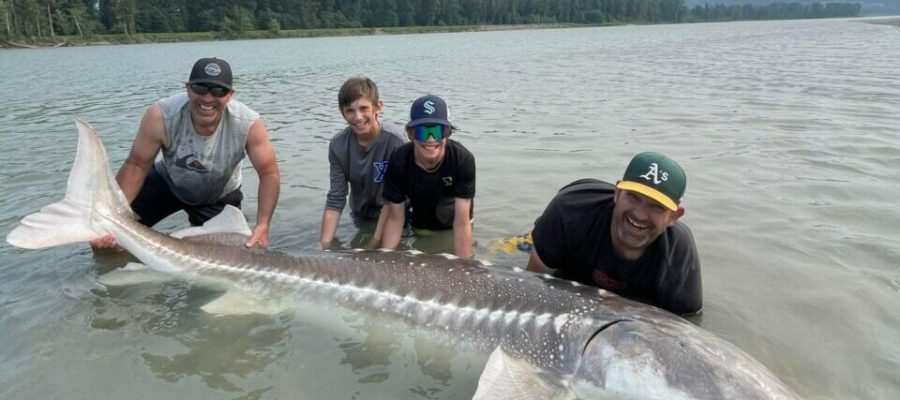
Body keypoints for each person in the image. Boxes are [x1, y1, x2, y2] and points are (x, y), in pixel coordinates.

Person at [91, 57, 280, 250]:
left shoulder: (248, 123)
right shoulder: (161, 115)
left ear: (230, 95)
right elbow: (137, 165)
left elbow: (269, 173)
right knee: (105, 238)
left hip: (217, 195)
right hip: (166, 184)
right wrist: (112, 215)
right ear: (188, 88)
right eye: (200, 88)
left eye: (218, 91)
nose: (207, 98)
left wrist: (263, 224)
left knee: (233, 256)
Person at [527, 151, 702, 316]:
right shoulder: (569, 212)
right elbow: (530, 286)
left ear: (673, 216)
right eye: (633, 196)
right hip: (554, 248)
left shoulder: (678, 255)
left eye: (656, 206)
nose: (640, 215)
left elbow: (683, 326)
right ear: (617, 193)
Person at [381, 95, 476, 258]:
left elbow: (462, 223)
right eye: (422, 132)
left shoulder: (463, 159)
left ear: (448, 133)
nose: (431, 140)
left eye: (437, 131)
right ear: (410, 134)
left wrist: (465, 266)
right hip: (420, 224)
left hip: (454, 224)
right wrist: (386, 258)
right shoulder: (399, 160)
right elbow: (395, 220)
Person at [319, 76, 407, 250]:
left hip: (397, 214)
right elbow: (336, 198)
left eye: (363, 108)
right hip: (361, 215)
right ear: (342, 113)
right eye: (350, 110)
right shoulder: (338, 145)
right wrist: (324, 245)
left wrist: (375, 242)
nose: (358, 117)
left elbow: (393, 199)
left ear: (378, 107)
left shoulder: (396, 142)